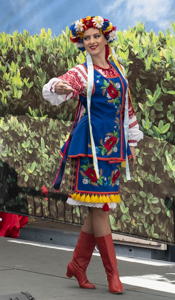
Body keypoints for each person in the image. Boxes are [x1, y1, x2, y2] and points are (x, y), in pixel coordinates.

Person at [42, 16, 143, 294]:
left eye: (96, 35)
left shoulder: (118, 69)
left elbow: (127, 109)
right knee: (101, 208)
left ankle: (77, 264)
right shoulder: (82, 72)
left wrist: (131, 141)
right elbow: (63, 83)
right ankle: (114, 275)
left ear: (106, 37)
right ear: (82, 43)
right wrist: (58, 87)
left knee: (98, 207)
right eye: (86, 38)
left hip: (112, 148)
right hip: (89, 149)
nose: (92, 41)